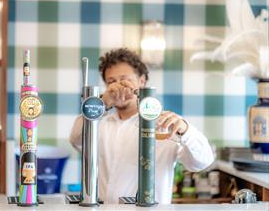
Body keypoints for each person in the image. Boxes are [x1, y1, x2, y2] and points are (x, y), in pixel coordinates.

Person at [69, 48, 214, 204]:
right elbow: (75, 139)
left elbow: (202, 162)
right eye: (111, 82)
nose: (118, 86)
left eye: (125, 79)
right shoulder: (99, 125)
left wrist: (185, 130)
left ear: (142, 81)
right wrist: (101, 103)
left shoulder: (163, 125)